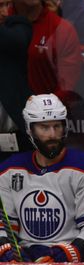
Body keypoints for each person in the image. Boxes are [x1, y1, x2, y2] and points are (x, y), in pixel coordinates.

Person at [0, 94, 84, 262]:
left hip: (71, 264)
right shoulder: (9, 170)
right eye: (44, 128)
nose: (52, 134)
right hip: (24, 259)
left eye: (57, 126)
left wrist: (64, 256)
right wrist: (9, 254)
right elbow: (4, 226)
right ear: (30, 129)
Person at [13, 0, 82, 103]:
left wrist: (43, 109)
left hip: (45, 114)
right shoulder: (3, 21)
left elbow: (68, 86)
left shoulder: (62, 30)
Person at [0, 0, 33, 162]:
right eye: (0, 6)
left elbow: (17, 41)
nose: (5, 12)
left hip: (14, 139)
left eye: (7, 5)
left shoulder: (17, 25)